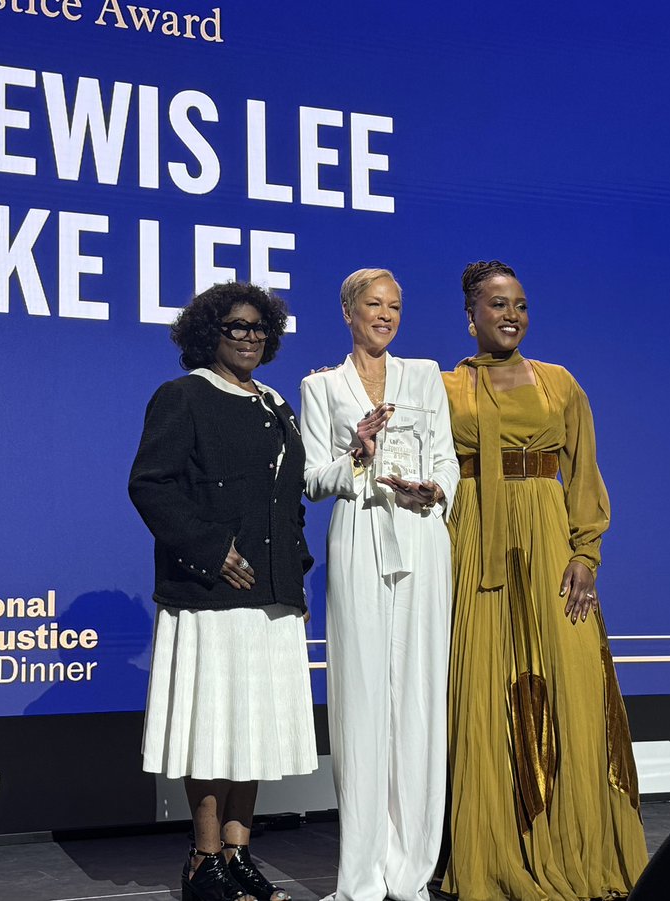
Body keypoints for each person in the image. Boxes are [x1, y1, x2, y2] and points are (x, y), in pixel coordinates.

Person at [441, 261, 648, 901]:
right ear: (470, 314)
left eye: (521, 305)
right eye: (498, 304)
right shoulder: (444, 388)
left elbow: (584, 471)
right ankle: (495, 848)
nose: (512, 315)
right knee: (483, 689)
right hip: (476, 542)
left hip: (550, 538)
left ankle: (582, 848)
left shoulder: (559, 384)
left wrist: (586, 552)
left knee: (573, 681)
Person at [129, 282, 316, 901]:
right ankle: (203, 860)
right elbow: (151, 485)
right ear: (209, 333)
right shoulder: (181, 397)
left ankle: (237, 855)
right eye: (236, 326)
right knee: (213, 730)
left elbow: (288, 495)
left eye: (260, 326)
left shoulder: (274, 403)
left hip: (272, 593)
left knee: (252, 731)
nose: (250, 336)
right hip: (210, 593)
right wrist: (212, 550)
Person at [299, 268, 459, 901]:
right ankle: (361, 879)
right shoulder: (322, 385)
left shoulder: (424, 375)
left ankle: (412, 871)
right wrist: (357, 453)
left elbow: (445, 456)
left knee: (419, 696)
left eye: (395, 305)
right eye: (373, 305)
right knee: (363, 699)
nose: (386, 315)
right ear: (348, 313)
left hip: (421, 534)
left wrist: (435, 489)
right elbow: (313, 479)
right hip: (360, 533)